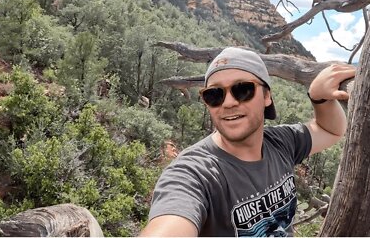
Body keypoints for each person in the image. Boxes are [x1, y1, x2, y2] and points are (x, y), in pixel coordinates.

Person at [140, 47, 355, 237]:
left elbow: (330, 130)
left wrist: (319, 98)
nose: (229, 103)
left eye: (243, 90)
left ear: (267, 96)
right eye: (214, 94)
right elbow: (171, 221)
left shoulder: (282, 142)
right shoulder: (194, 173)